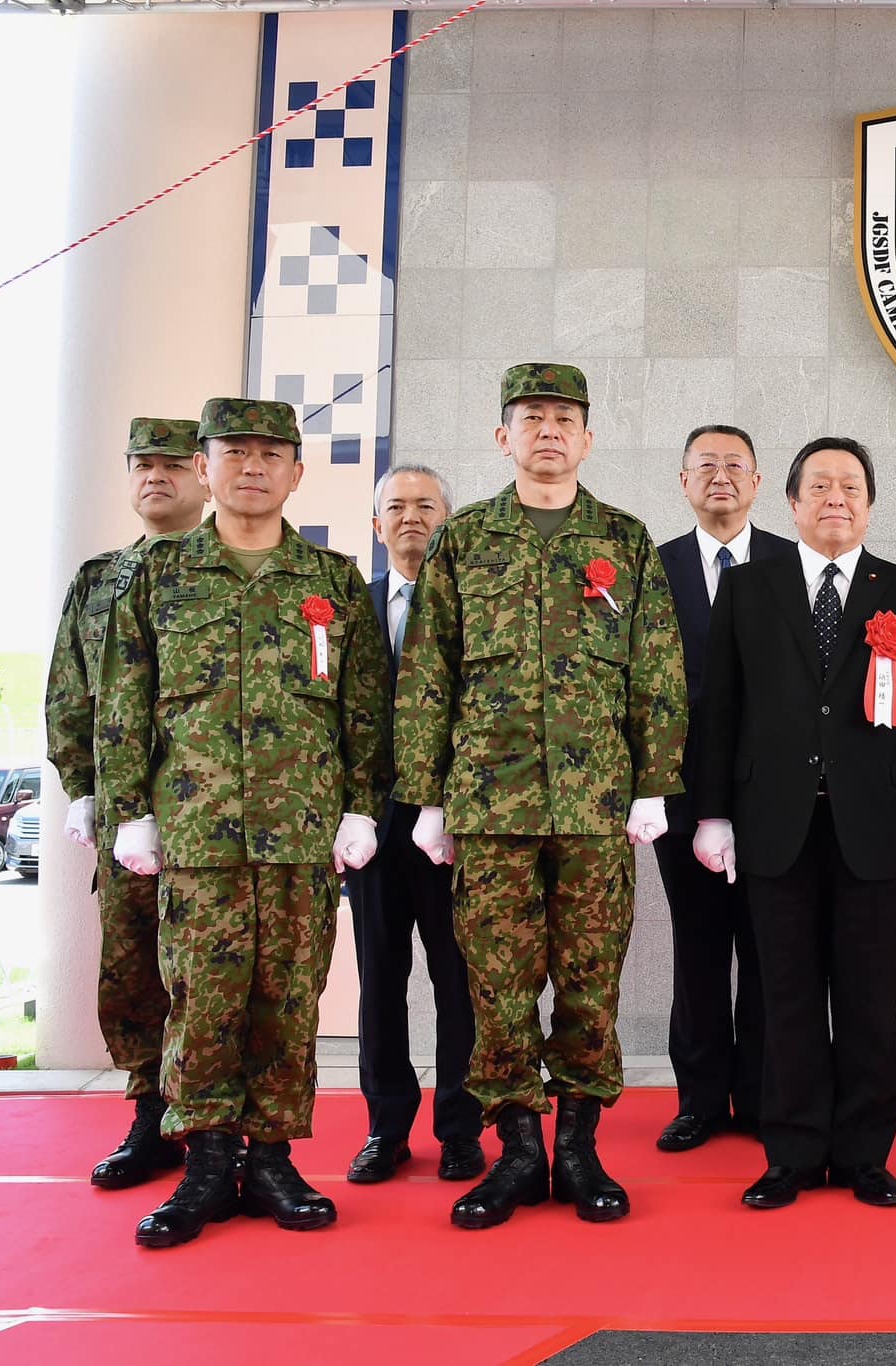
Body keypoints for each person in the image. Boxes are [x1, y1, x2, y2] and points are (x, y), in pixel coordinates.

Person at [395, 363, 686, 1228]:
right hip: (491, 807)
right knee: (498, 982)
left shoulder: (624, 540)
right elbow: (429, 673)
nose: (549, 431)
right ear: (503, 438)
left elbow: (659, 669)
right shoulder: (466, 539)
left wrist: (654, 786)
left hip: (597, 806)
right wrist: (427, 797)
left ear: (588, 438)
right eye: (531, 418)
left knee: (591, 981)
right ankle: (518, 1151)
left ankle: (579, 1148)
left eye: (565, 418)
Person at [101, 398, 391, 1248]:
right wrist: (128, 814)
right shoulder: (154, 578)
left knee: (288, 996)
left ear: (298, 473)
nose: (253, 467)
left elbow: (363, 707)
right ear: (204, 468)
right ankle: (203, 1161)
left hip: (301, 834)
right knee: (199, 999)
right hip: (195, 833)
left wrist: (363, 806)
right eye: (235, 452)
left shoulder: (332, 581)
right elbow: (122, 704)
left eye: (272, 454)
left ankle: (270, 1157)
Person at [692, 436, 896, 1211]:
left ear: (870, 503)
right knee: (788, 997)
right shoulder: (748, 589)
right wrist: (713, 814)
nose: (835, 498)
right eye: (820, 486)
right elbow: (722, 713)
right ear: (793, 502)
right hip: (774, 825)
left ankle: (867, 1155)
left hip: (873, 826)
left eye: (851, 486)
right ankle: (794, 1153)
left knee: (871, 998)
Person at [44, 416, 210, 1190]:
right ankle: (150, 1117)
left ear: (205, 476)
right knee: (133, 969)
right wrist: (82, 788)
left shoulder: (228, 568)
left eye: (174, 464)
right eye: (142, 463)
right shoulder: (99, 578)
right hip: (127, 815)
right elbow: (70, 694)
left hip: (214, 810)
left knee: (214, 975)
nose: (156, 477)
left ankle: (221, 1129)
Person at [652, 424, 795, 1153]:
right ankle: (701, 1100)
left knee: (771, 950)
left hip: (775, 799)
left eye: (735, 465)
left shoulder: (792, 563)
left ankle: (768, 1095)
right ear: (683, 482)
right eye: (705, 466)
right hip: (681, 799)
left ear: (759, 482)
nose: (720, 477)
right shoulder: (655, 567)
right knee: (699, 948)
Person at [345, 465, 485, 1187]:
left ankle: (461, 1129)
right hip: (372, 824)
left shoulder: (472, 607)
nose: (410, 518)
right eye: (395, 507)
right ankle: (385, 1127)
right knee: (380, 978)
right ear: (377, 525)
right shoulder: (348, 608)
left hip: (451, 825)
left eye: (426, 505)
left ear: (448, 521)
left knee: (458, 978)